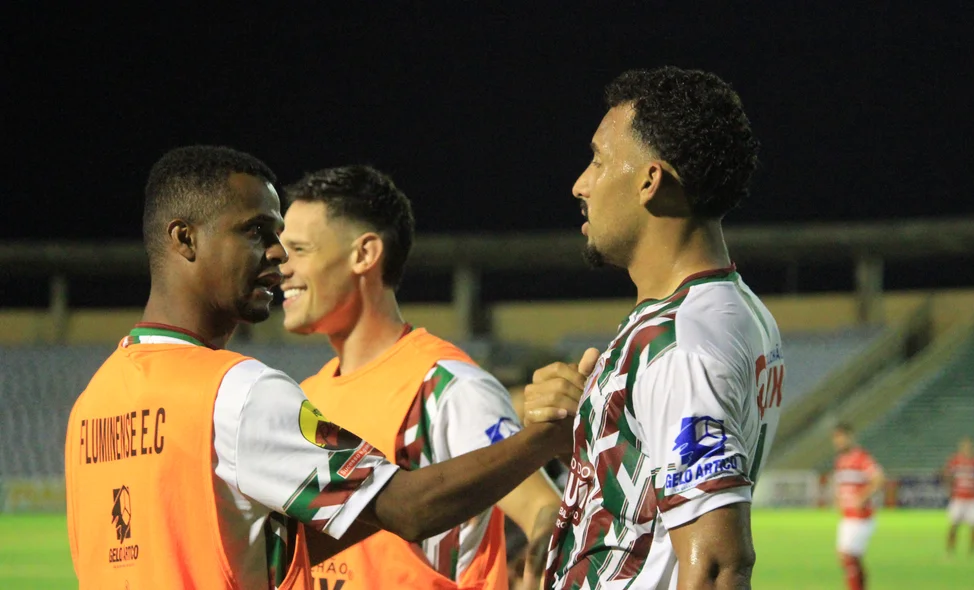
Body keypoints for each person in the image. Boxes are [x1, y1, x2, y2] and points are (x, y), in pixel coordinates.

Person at [63, 146, 572, 590]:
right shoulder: (241, 393)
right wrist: (547, 437)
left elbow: (249, 550)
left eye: (290, 241)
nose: (279, 256)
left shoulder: (92, 404)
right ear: (186, 238)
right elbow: (407, 510)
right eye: (257, 232)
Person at [523, 66, 783, 589]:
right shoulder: (728, 309)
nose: (581, 183)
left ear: (650, 181)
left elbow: (716, 565)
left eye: (598, 159)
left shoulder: (681, 344)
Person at [277, 165, 563, 590]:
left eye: (299, 250)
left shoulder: (448, 388)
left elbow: (544, 508)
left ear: (364, 254)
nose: (282, 267)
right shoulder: (304, 397)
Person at [831, 423, 885, 590]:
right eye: (836, 439)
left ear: (850, 437)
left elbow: (879, 478)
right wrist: (839, 498)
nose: (838, 442)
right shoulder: (840, 461)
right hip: (847, 516)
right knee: (849, 559)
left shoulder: (861, 457)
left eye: (841, 438)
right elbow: (843, 485)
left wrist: (862, 497)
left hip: (861, 516)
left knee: (847, 556)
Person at [943, 437, 974, 555]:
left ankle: (973, 552)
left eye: (969, 447)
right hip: (958, 498)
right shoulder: (955, 460)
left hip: (973, 499)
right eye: (964, 447)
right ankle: (950, 550)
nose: (967, 449)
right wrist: (949, 489)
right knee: (953, 526)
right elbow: (946, 474)